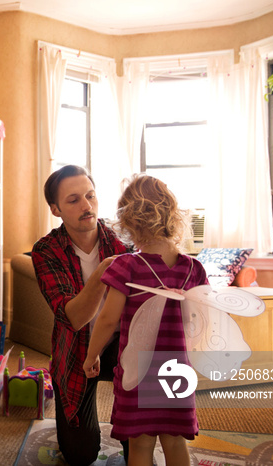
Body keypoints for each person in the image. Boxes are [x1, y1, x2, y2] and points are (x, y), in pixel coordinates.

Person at [82, 174, 208, 465]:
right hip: (177, 372)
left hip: (138, 375)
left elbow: (107, 320)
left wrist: (93, 355)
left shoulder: (127, 267)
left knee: (139, 445)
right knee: (175, 442)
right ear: (173, 217)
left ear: (129, 223)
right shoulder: (194, 269)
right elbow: (197, 322)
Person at [32, 165, 130, 465]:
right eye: (73, 200)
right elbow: (72, 318)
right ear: (55, 209)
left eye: (90, 195)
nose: (87, 206)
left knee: (140, 442)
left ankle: (134, 427)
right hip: (76, 349)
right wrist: (103, 271)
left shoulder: (123, 241)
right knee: (80, 455)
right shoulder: (46, 251)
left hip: (122, 343)